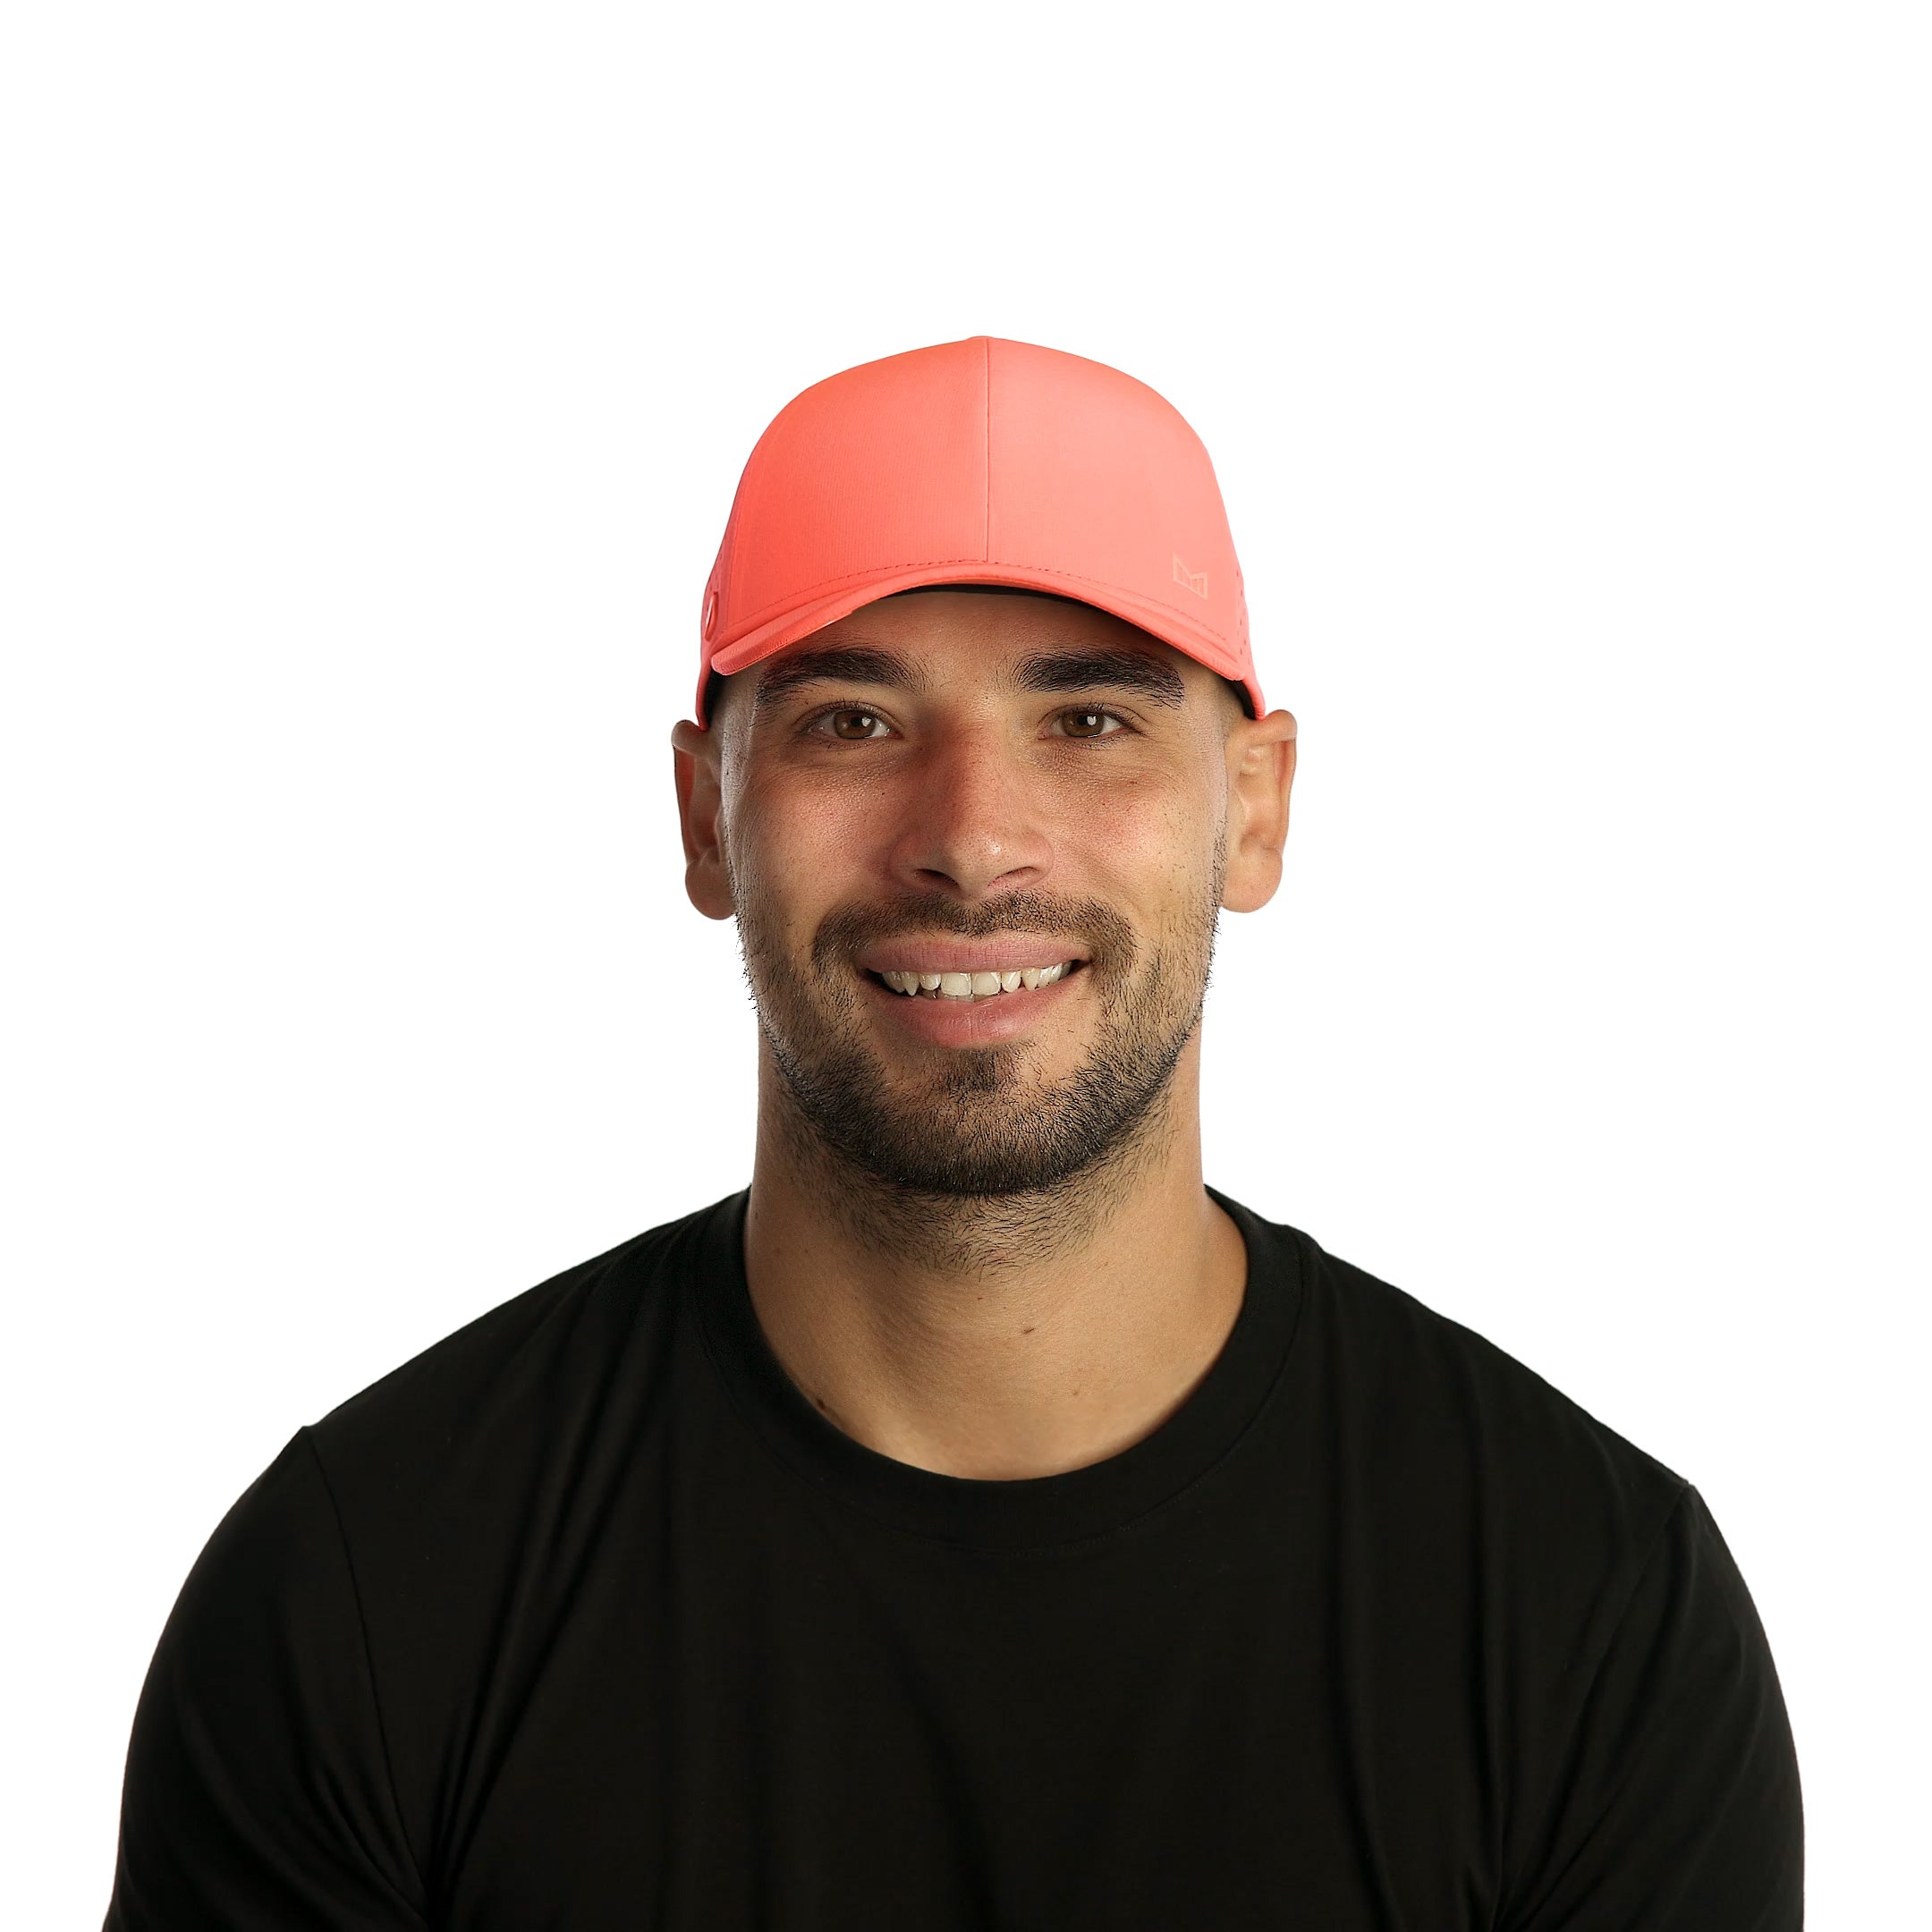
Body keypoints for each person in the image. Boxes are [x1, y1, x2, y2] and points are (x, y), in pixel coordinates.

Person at [104, 337, 1802, 1928]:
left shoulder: (1590, 1616)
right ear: (706, 815)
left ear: (1255, 807)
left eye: (1090, 720)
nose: (973, 839)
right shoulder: (367, 1597)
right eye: (853, 721)